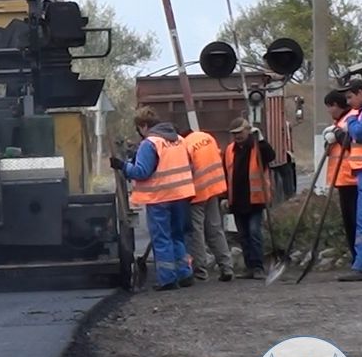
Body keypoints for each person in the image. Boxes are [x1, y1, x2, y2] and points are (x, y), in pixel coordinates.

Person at [111, 107, 195, 291]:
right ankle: (185, 273)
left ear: (143, 126)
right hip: (181, 195)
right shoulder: (178, 140)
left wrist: (122, 166)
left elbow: (141, 172)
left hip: (160, 198)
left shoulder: (150, 143)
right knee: (177, 236)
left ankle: (167, 279)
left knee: (162, 238)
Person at [222, 117, 274, 280]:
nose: (237, 136)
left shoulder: (257, 147)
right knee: (243, 235)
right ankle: (249, 267)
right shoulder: (230, 150)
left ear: (248, 131)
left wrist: (261, 140)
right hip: (237, 200)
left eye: (240, 132)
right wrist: (224, 197)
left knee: (254, 232)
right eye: (234, 134)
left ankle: (258, 267)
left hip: (255, 199)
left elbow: (270, 156)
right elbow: (225, 175)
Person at [179, 127, 234, 282]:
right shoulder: (207, 137)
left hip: (197, 193)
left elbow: (186, 169)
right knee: (215, 229)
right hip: (214, 188)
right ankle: (227, 266)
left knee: (197, 232)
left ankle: (200, 271)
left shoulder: (184, 144)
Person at [322, 90, 357, 266]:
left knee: (355, 223)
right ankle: (356, 258)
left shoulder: (352, 117)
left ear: (336, 105)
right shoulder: (339, 121)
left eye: (330, 106)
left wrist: (338, 135)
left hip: (353, 179)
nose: (329, 110)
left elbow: (352, 143)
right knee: (350, 224)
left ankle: (359, 259)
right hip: (343, 180)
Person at [339, 80, 362, 281]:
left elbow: (360, 133)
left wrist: (351, 123)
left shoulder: (358, 115)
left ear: (361, 93)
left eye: (350, 97)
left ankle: (361, 265)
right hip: (361, 173)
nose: (348, 101)